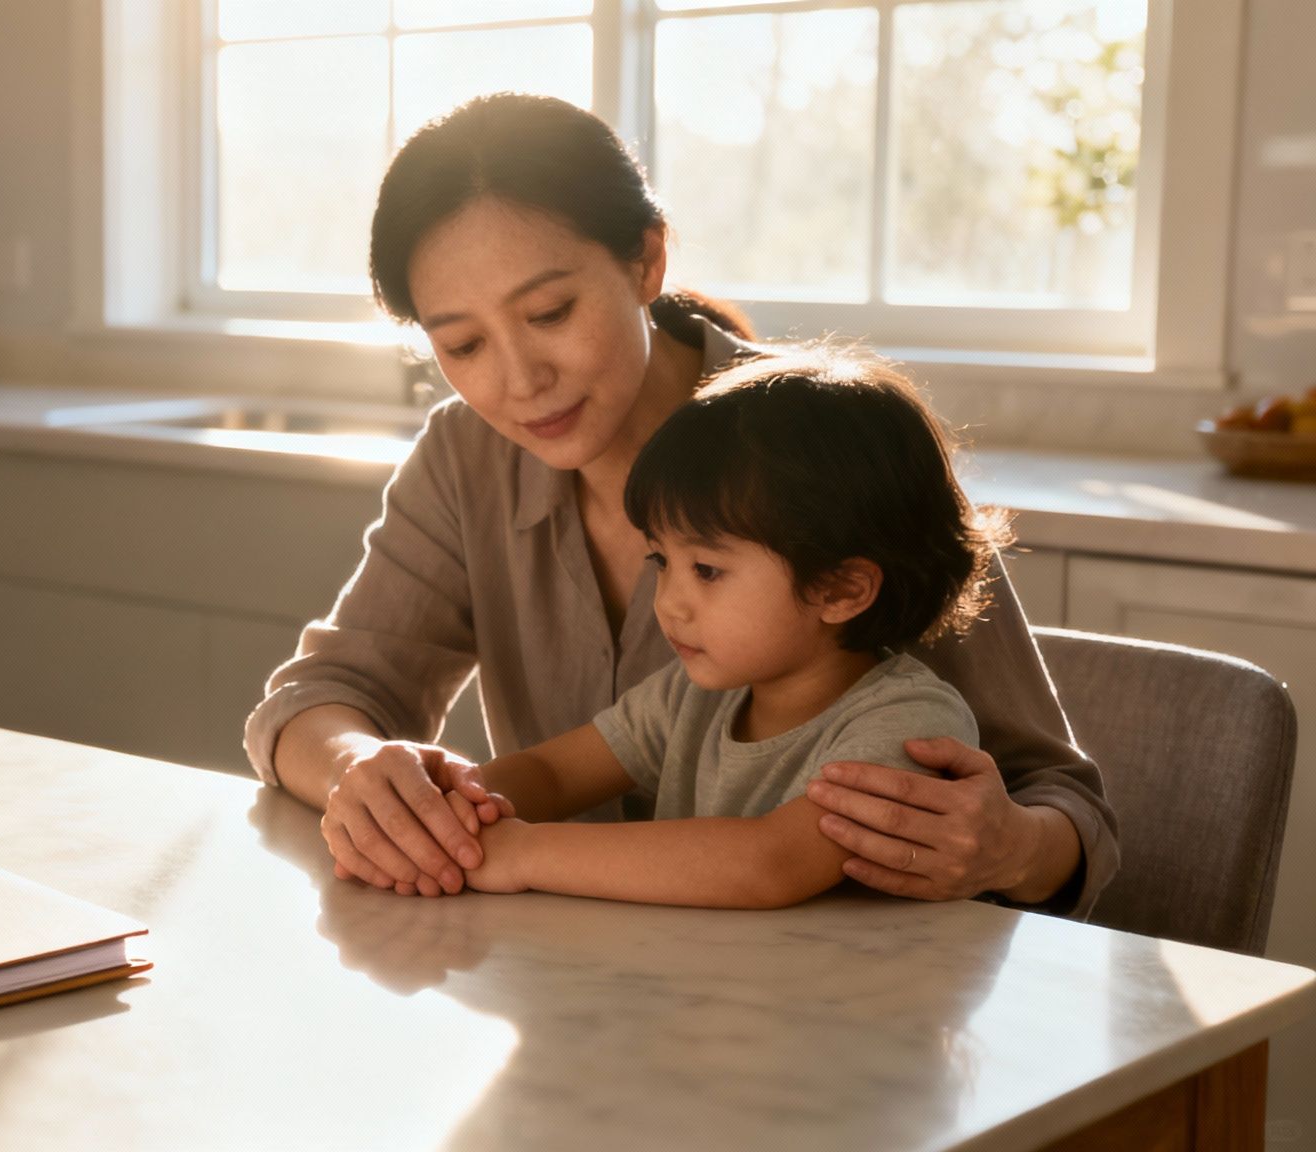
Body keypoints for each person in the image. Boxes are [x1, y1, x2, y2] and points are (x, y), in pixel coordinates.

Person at [242, 93, 1118, 912]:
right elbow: (324, 695)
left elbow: (1061, 804)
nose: (518, 381)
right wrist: (366, 774)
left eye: (548, 312)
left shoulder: (829, 450)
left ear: (646, 260)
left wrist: (1013, 848)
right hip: (573, 990)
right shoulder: (468, 455)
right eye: (463, 344)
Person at [435, 349, 991, 906]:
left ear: (841, 590)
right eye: (660, 562)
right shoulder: (692, 698)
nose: (670, 604)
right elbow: (552, 773)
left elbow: (768, 863)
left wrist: (521, 852)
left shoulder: (909, 725)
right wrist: (458, 811)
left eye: (706, 570)